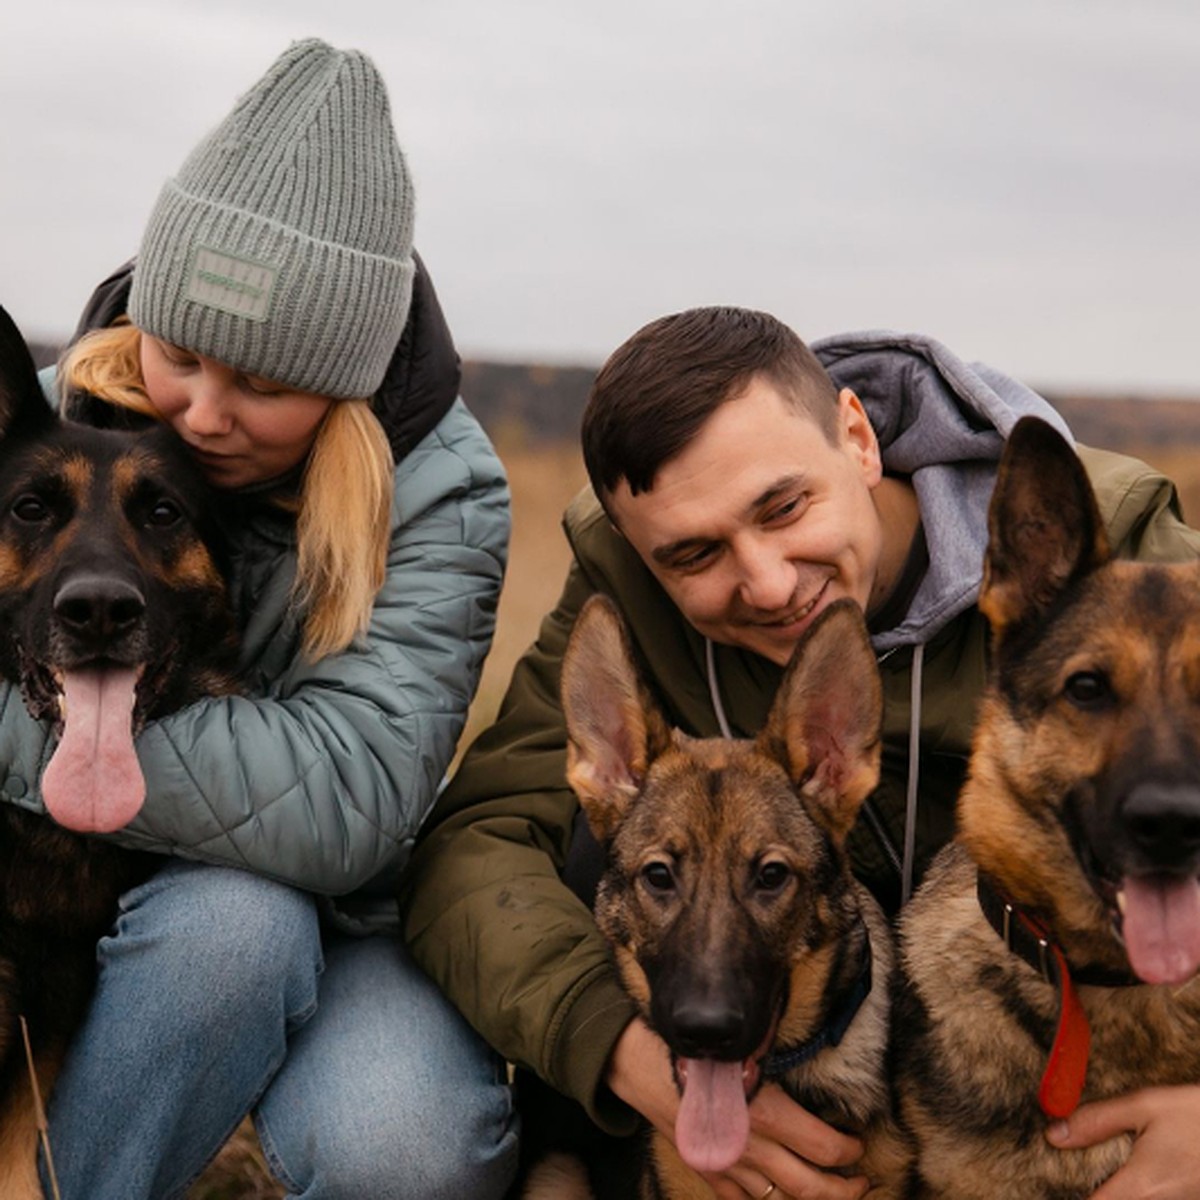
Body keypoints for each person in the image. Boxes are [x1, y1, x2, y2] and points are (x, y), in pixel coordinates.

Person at [399, 307, 1200, 1200]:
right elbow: (474, 847)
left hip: (1019, 1003)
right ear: (641, 553)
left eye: (785, 507)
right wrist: (627, 1049)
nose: (772, 582)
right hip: (774, 1012)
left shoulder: (1113, 555)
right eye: (696, 552)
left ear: (857, 437)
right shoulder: (625, 578)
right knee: (619, 842)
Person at [1, 39, 518, 1200]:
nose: (202, 414)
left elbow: (348, 803)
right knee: (225, 929)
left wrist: (28, 744)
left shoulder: (445, 492)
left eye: (266, 386)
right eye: (179, 356)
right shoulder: (62, 417)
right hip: (102, 886)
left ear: (346, 374)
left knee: (405, 1139)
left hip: (344, 916)